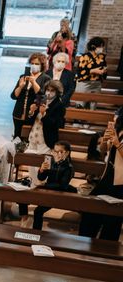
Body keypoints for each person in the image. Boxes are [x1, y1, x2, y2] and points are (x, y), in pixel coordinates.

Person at [79, 112, 123, 241]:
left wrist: (117, 143)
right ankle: (85, 242)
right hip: (108, 177)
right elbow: (103, 150)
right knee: (91, 210)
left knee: (112, 218)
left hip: (120, 182)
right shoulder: (118, 130)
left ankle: (106, 250)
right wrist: (105, 139)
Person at [18, 141, 75, 230]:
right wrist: (41, 170)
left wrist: (45, 185)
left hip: (58, 194)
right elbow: (41, 177)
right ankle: (24, 216)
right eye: (55, 151)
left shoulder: (69, 167)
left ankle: (36, 234)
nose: (57, 154)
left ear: (67, 153)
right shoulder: (51, 161)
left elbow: (62, 186)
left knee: (38, 211)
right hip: (47, 190)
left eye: (60, 151)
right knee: (24, 193)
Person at [10, 52, 50, 140]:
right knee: (17, 136)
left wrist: (33, 82)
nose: (34, 65)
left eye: (37, 64)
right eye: (32, 63)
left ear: (42, 65)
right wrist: (20, 87)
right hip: (19, 111)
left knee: (28, 138)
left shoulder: (46, 78)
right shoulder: (24, 76)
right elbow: (13, 96)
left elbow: (42, 95)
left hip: (33, 112)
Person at [25, 79, 66, 155]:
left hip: (46, 140)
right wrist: (31, 112)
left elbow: (54, 124)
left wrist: (43, 113)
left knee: (42, 165)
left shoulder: (59, 105)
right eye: (48, 90)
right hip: (33, 136)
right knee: (30, 163)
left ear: (57, 92)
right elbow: (29, 121)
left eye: (52, 90)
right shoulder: (40, 99)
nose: (49, 92)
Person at [76, 37, 108, 109]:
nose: (102, 48)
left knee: (93, 105)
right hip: (85, 82)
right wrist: (93, 70)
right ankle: (78, 119)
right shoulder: (85, 56)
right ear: (94, 46)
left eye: (102, 46)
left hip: (97, 83)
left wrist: (104, 71)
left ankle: (89, 118)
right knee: (81, 104)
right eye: (100, 46)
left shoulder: (101, 56)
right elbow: (80, 71)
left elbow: (104, 67)